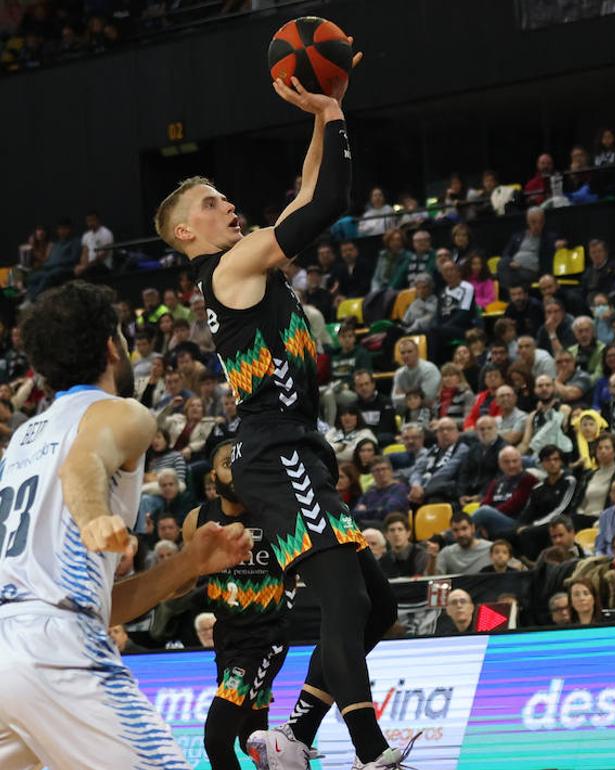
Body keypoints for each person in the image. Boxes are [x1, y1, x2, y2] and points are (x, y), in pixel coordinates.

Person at [153, 57, 415, 769]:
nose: (226, 204)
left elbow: (305, 188)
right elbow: (324, 204)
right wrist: (332, 116)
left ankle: (293, 735)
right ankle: (368, 748)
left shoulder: (245, 265)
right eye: (209, 202)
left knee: (376, 605)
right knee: (341, 599)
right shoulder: (230, 269)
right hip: (274, 451)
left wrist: (316, 113)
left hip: (296, 445)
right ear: (185, 233)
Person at [0, 281, 254, 769]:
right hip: (55, 649)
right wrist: (95, 516)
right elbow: (84, 463)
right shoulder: (122, 413)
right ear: (112, 347)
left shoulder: (24, 439)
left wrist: (189, 564)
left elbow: (98, 607)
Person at [183, 442, 293, 770]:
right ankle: (289, 757)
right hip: (226, 636)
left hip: (264, 637)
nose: (238, 466)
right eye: (229, 461)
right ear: (213, 474)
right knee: (253, 741)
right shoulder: (198, 519)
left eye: (244, 460)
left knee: (216, 739)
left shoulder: (275, 512)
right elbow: (185, 580)